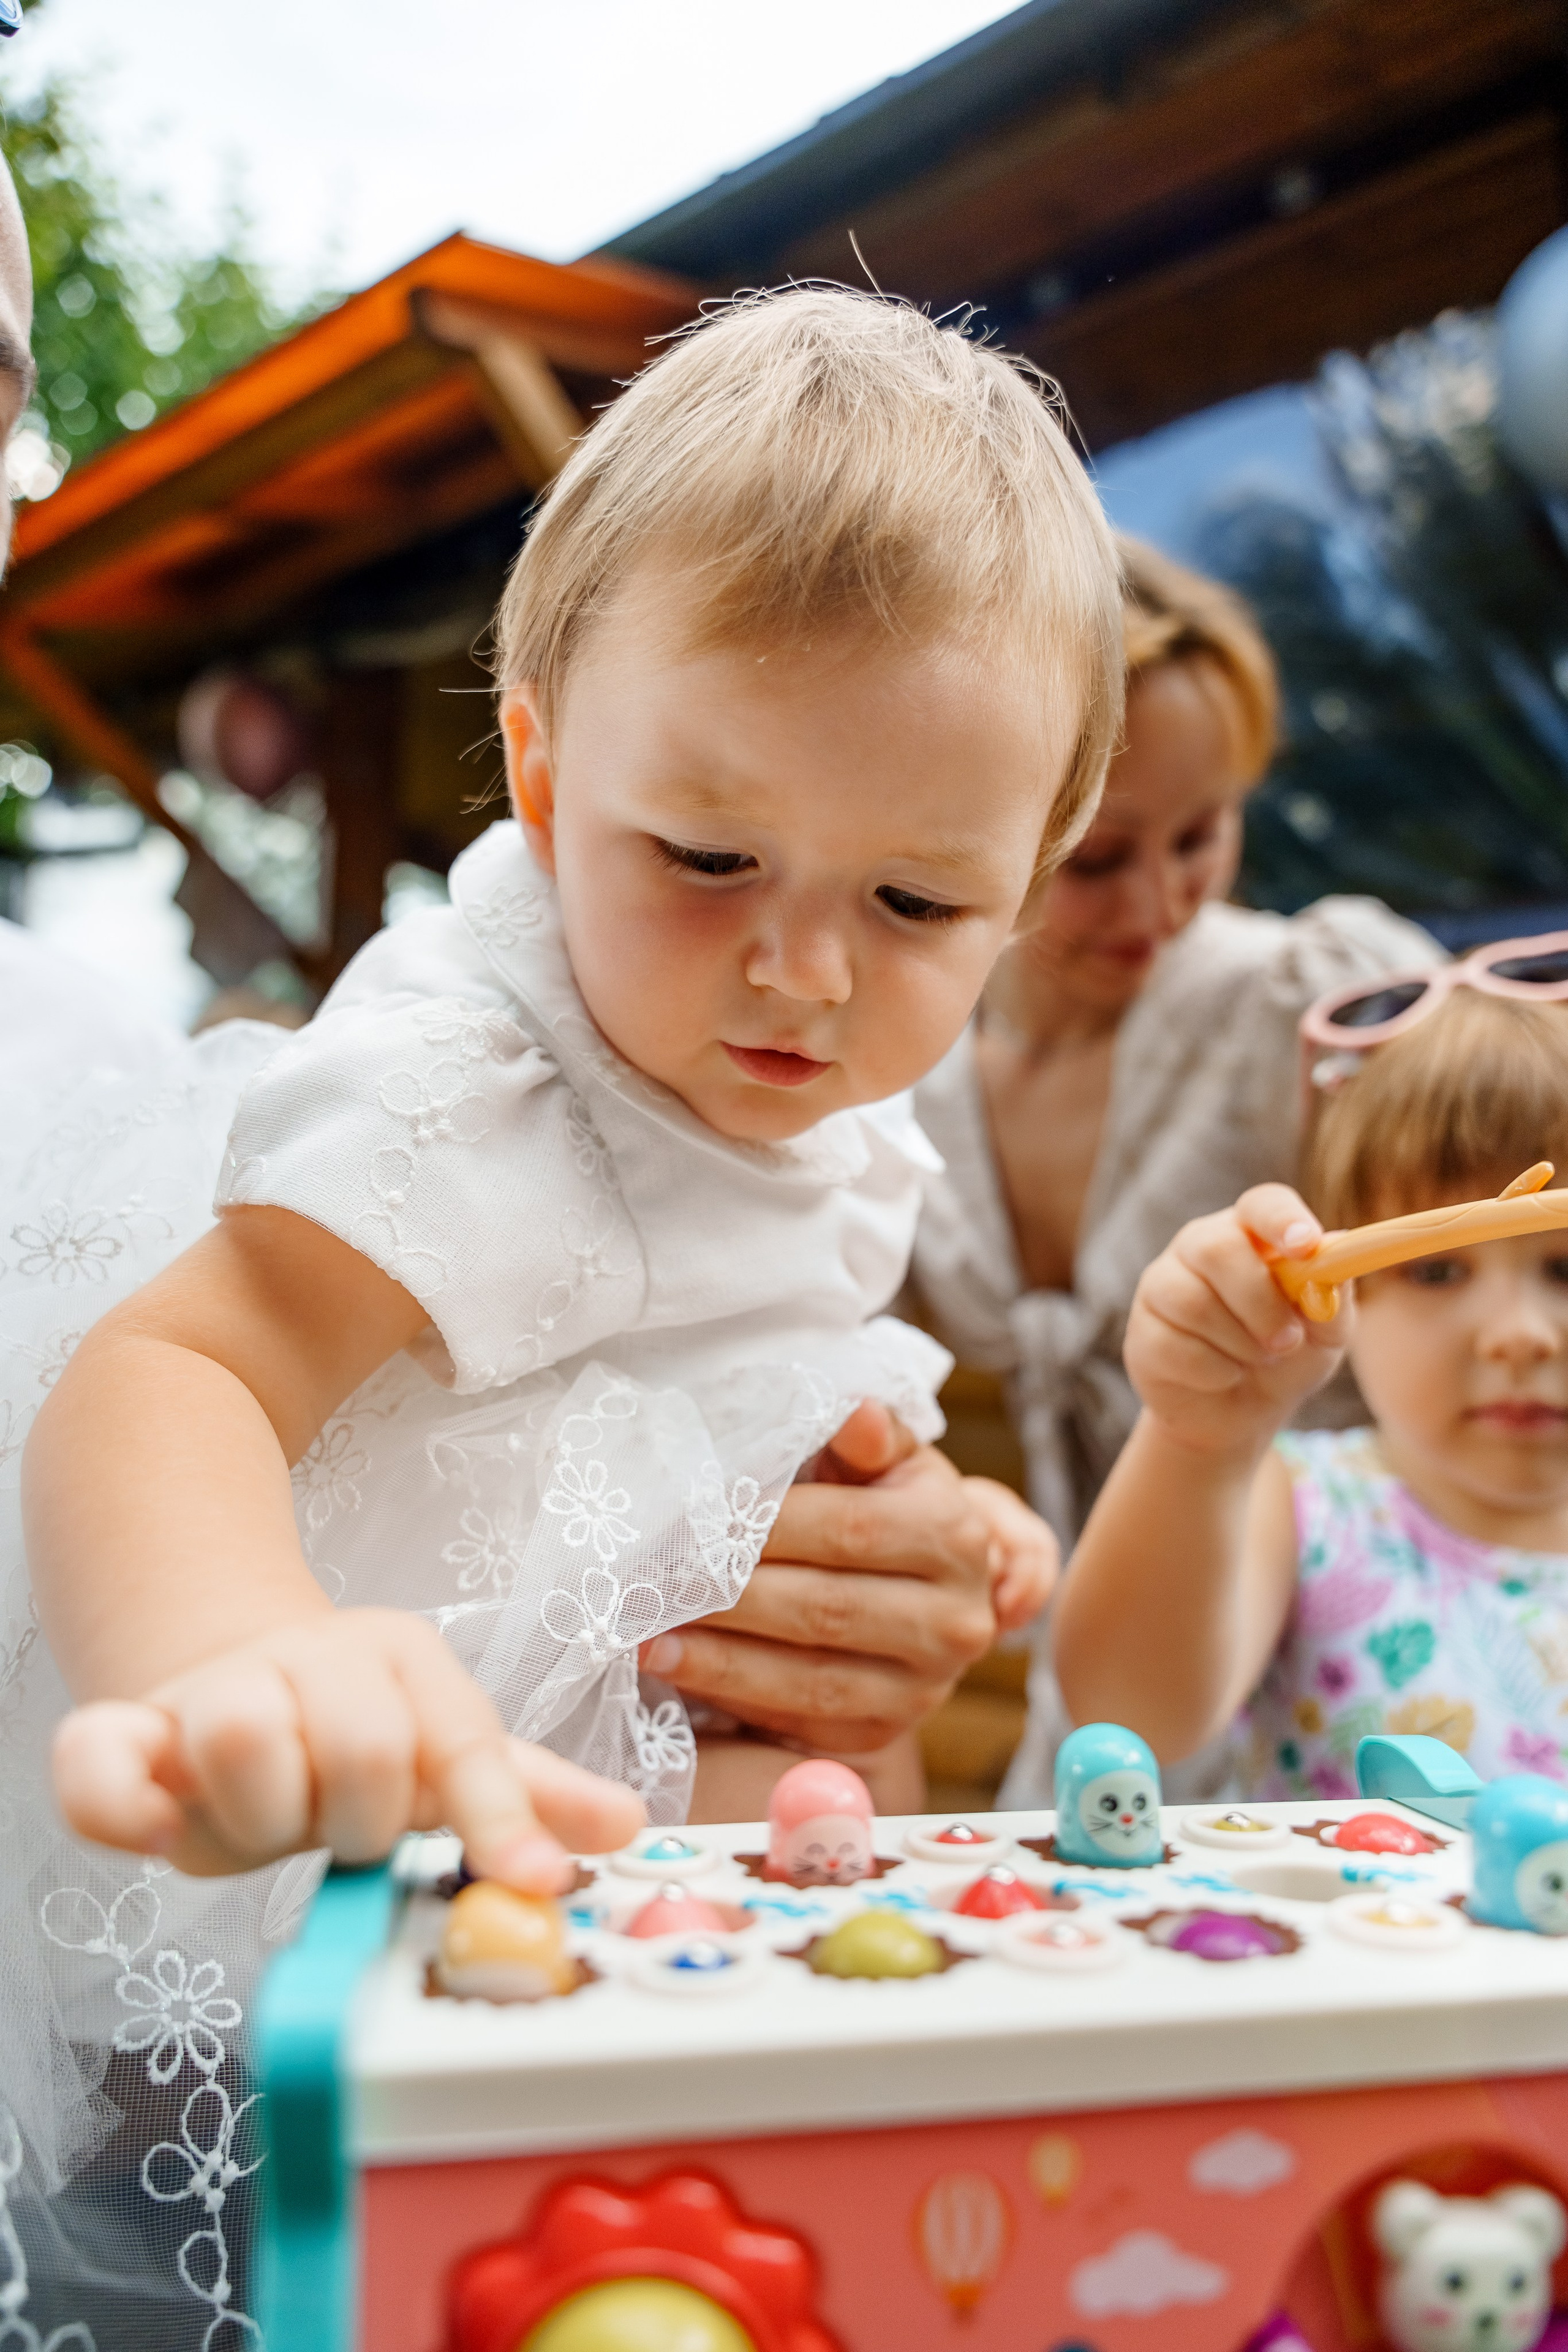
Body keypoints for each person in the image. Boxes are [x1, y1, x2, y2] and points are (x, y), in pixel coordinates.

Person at [3, 285, 1109, 2345]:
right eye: (708, 855)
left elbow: (723, 1383)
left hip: (636, 1914)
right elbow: (172, 1366)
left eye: (915, 903)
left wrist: (934, 1506)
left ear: (1027, 877)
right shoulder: (477, 1081)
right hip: (341, 1876)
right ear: (534, 764)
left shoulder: (813, 1100)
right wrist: (238, 1650)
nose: (801, 972)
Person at [908, 537, 1440, 1804]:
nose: (1159, 903)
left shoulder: (1308, 1004)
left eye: (1201, 835)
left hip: (1361, 1657)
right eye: (1097, 859)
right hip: (1109, 1674)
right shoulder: (904, 1069)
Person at [1054, 960, 1568, 1795]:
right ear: (1341, 1287)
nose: (1520, 1336)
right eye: (1436, 1270)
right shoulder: (1305, 1506)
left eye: (1566, 1270)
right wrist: (1202, 1441)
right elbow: (1130, 1713)